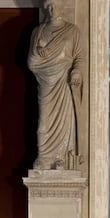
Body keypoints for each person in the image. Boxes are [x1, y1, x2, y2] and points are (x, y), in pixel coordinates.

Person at [28, 0, 84, 170]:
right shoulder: (38, 32)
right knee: (43, 124)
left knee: (65, 121)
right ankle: (45, 158)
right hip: (46, 84)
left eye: (55, 5)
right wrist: (41, 56)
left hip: (64, 82)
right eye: (49, 7)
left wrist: (76, 71)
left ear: (62, 6)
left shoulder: (73, 31)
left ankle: (61, 158)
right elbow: (31, 62)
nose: (52, 10)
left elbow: (80, 57)